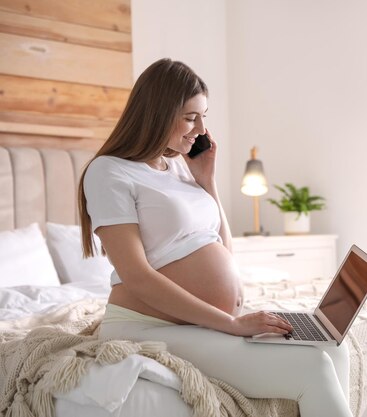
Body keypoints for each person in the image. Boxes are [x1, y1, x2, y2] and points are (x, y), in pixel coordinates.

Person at [78, 58, 352, 417]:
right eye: (191, 117)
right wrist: (232, 324)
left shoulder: (177, 165)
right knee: (311, 369)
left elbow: (222, 249)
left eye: (204, 116)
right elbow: (138, 276)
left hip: (201, 321)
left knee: (334, 349)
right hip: (145, 326)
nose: (201, 129)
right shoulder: (109, 171)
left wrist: (207, 181)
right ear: (158, 112)